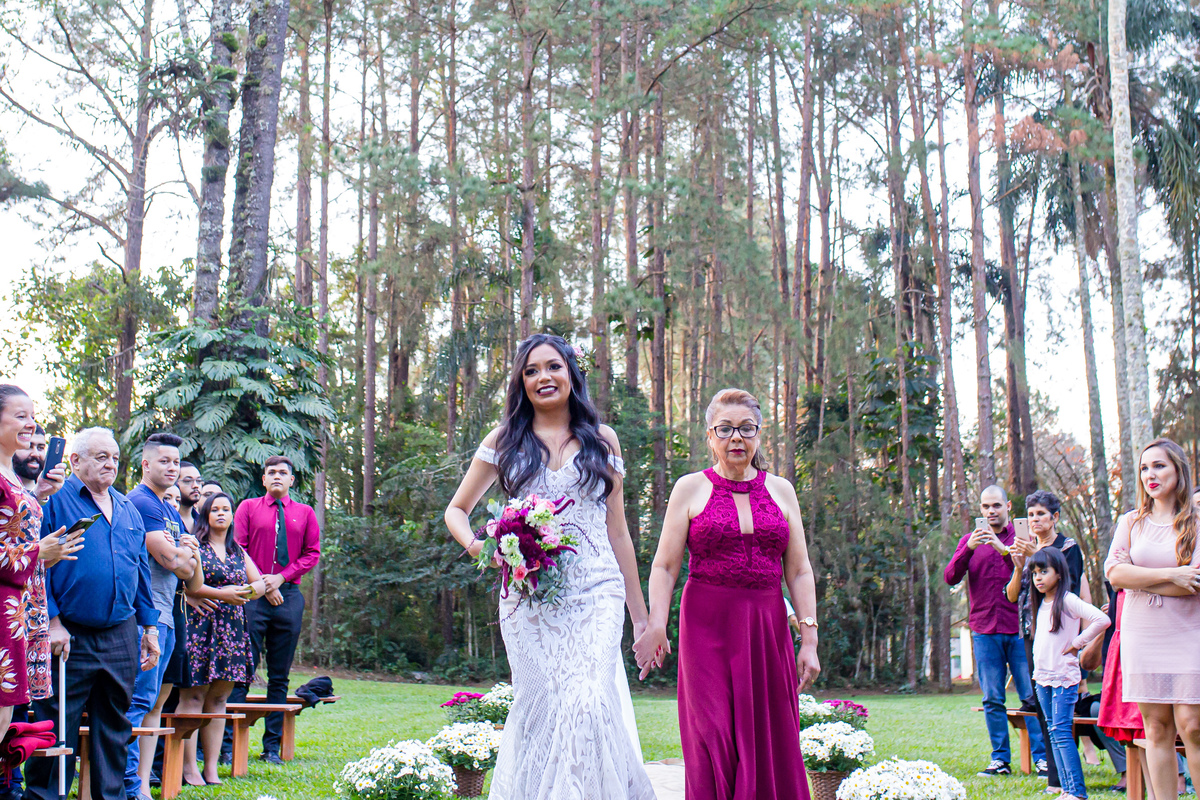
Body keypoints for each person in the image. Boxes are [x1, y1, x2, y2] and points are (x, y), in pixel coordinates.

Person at [444, 334, 654, 800]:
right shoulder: (504, 440)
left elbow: (618, 532)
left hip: (596, 590)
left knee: (589, 701)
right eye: (532, 370)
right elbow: (456, 511)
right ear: (522, 382)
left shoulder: (603, 440)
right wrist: (486, 549)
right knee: (541, 707)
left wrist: (641, 618)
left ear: (571, 373)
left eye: (553, 367)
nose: (544, 377)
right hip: (529, 597)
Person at [636, 388, 820, 799]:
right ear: (710, 436)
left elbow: (800, 569)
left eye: (746, 428)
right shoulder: (689, 487)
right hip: (706, 623)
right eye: (725, 429)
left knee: (767, 734)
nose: (736, 438)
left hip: (766, 624)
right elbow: (664, 566)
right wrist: (656, 625)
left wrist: (809, 638)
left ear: (759, 435)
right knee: (712, 731)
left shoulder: (782, 490)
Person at [24, 427, 160, 800]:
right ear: (75, 460)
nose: (110, 464)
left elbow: (140, 571)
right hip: (68, 633)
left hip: (120, 632)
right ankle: (43, 796)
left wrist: (150, 626)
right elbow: (36, 568)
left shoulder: (127, 506)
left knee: (115, 728)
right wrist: (53, 622)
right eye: (101, 457)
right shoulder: (52, 502)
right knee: (57, 725)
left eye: (115, 457)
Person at [1104, 438, 1200, 800]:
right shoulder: (1131, 521)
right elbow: (1115, 574)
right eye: (1144, 468)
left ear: (1179, 469)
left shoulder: (1196, 520)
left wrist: (1143, 579)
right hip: (1142, 635)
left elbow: (1194, 584)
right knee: (1156, 728)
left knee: (1192, 726)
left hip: (1189, 633)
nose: (1150, 475)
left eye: (1159, 466)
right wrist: (1171, 576)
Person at [944, 485, 1047, 777]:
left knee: (1031, 695)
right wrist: (968, 549)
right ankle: (1000, 759)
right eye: (986, 507)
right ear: (981, 510)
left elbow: (1032, 574)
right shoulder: (969, 541)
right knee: (992, 697)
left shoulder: (1022, 539)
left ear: (1008, 507)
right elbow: (950, 577)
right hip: (984, 629)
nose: (991, 512)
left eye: (996, 506)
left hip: (1018, 629)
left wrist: (1004, 551)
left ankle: (1041, 758)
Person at [124, 434, 200, 800]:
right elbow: (173, 561)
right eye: (165, 461)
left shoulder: (168, 509)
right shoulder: (142, 502)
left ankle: (140, 786)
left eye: (176, 462)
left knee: (153, 703)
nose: (172, 468)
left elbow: (190, 570)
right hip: (146, 617)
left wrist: (184, 556)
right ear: (146, 465)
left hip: (168, 613)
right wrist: (183, 555)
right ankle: (126, 785)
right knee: (137, 702)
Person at [231, 456, 320, 764]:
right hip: (253, 596)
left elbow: (312, 554)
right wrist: (264, 585)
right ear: (264, 478)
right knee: (243, 670)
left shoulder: (305, 513)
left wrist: (280, 579)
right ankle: (229, 745)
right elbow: (237, 549)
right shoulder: (248, 508)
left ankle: (271, 747)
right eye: (272, 472)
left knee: (279, 675)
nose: (278, 476)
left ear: (292, 480)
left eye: (284, 472)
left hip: (290, 596)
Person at [180, 493, 265, 786]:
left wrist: (244, 593)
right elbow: (192, 586)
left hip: (231, 631)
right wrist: (225, 593)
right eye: (214, 509)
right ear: (205, 515)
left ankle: (211, 767)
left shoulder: (237, 551)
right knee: (193, 696)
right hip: (201, 627)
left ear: (232, 516)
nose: (220, 514)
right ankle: (189, 767)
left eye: (226, 509)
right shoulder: (196, 546)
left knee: (218, 699)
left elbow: (260, 584)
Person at [1005, 489, 1088, 787]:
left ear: (1054, 517)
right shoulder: (1025, 550)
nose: (1035, 519)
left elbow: (1071, 590)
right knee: (1041, 705)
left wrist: (1033, 559)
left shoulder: (1067, 547)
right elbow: (1013, 595)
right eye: (1030, 515)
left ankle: (1067, 778)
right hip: (1030, 633)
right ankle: (1054, 778)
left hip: (1059, 633)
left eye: (1041, 514)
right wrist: (1020, 566)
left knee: (1060, 709)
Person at [1029, 546, 1110, 800]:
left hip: (1063, 677)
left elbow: (1101, 619)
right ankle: (1067, 790)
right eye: (1034, 573)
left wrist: (1077, 643)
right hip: (1042, 677)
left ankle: (1077, 791)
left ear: (1060, 574)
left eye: (1044, 571)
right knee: (1053, 732)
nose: (1038, 578)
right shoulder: (1042, 603)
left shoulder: (1067, 600)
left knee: (1062, 732)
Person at [11, 425, 65, 504]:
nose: (36, 454)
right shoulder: (4, 487)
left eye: (40, 448)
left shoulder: (55, 495)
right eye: (29, 446)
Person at [175, 463, 202, 533]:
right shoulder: (166, 518)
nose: (195, 486)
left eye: (198, 481)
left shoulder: (204, 523)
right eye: (188, 481)